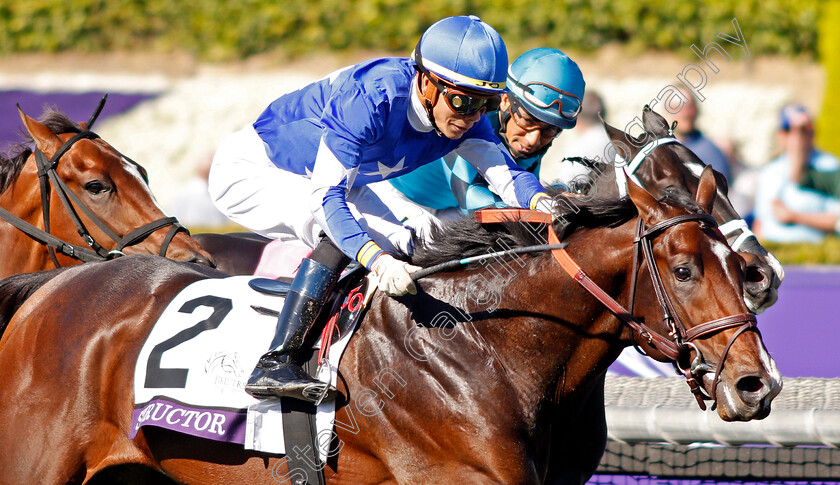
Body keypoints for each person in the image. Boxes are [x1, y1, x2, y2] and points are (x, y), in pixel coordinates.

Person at [208, 16, 555, 403]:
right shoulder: (372, 98)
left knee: (414, 244)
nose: (473, 117)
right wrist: (376, 259)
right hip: (257, 169)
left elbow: (506, 176)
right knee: (345, 237)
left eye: (486, 105)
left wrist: (549, 205)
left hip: (340, 180)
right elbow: (326, 200)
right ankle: (276, 361)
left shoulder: (466, 118)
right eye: (463, 101)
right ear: (427, 82)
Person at [370, 47, 585, 224]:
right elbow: (472, 201)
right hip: (394, 197)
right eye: (527, 121)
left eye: (550, 129)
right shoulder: (470, 122)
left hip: (447, 207)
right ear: (505, 101)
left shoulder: (529, 135)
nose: (533, 140)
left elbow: (526, 193)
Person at [753, 104, 840, 242]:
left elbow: (837, 220)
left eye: (803, 130)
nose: (796, 136)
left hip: (813, 254)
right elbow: (759, 223)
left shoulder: (830, 165)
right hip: (773, 249)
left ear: (813, 132)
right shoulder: (770, 170)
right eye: (789, 130)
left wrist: (794, 216)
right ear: (780, 135)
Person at [669, 86, 731, 181]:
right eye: (678, 107)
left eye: (688, 107)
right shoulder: (658, 150)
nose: (685, 114)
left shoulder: (709, 150)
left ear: (696, 110)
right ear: (667, 112)